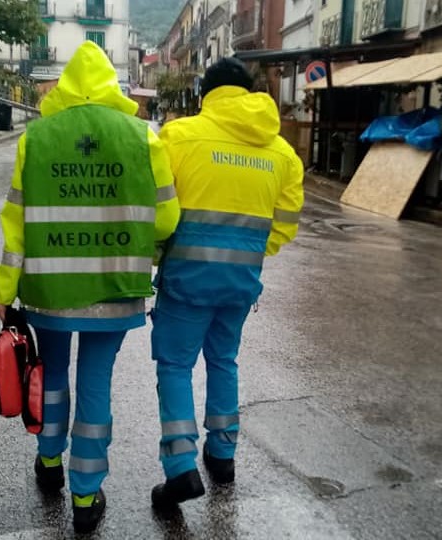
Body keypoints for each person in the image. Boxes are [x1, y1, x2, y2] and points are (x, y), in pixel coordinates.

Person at [0, 41, 179, 534]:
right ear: (112, 87)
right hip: (115, 289)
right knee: (96, 385)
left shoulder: (36, 138)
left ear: (65, 87)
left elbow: (16, 223)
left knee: (52, 374)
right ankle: (86, 493)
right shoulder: (144, 137)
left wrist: (4, 288)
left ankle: (48, 462)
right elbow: (166, 219)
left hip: (48, 291)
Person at [149, 57, 304, 509]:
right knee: (224, 360)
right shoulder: (283, 154)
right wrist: (250, 257)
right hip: (240, 282)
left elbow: (157, 211)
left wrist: (160, 256)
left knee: (176, 367)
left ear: (207, 94)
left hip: (185, 281)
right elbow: (287, 224)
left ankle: (180, 468)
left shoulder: (178, 137)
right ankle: (223, 454)